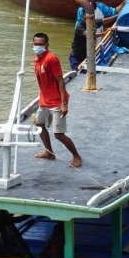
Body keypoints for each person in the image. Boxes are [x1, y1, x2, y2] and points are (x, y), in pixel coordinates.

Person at [31, 33, 82, 167]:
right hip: (44, 100)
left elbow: (60, 81)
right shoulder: (36, 58)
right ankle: (49, 152)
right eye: (35, 44)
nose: (38, 46)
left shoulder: (51, 59)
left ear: (47, 45)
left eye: (41, 44)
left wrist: (63, 103)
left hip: (56, 102)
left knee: (59, 134)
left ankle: (77, 156)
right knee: (40, 126)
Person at [69, 0, 120, 71]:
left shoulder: (92, 21)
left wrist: (119, 15)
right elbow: (90, 35)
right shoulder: (79, 27)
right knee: (77, 74)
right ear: (83, 17)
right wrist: (104, 33)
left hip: (88, 53)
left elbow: (105, 21)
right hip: (77, 56)